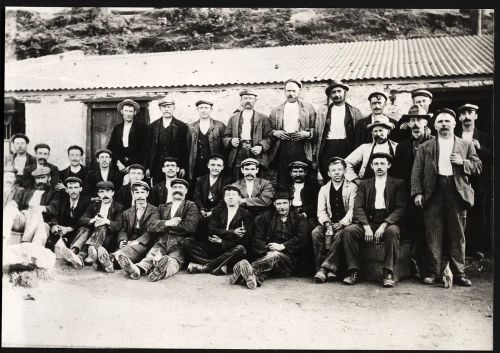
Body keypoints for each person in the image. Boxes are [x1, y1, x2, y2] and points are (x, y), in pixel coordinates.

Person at [411, 108, 482, 286]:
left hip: (456, 192)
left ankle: (459, 274)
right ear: (435, 125)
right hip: (433, 192)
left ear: (454, 124)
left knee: (457, 234)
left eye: (447, 121)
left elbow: (478, 166)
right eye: (440, 121)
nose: (444, 124)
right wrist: (418, 192)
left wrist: (463, 162)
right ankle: (433, 273)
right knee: (433, 233)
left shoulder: (465, 145)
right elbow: (416, 172)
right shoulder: (425, 147)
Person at [114, 178, 200, 281]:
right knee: (150, 257)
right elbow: (151, 225)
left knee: (174, 261)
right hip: (161, 241)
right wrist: (168, 223)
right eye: (175, 187)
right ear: (171, 190)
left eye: (180, 187)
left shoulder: (191, 206)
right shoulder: (162, 207)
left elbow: (189, 227)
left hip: (180, 243)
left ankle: (160, 272)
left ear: (186, 190)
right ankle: (136, 270)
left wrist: (163, 227)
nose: (177, 189)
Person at [342, 153, 407, 287]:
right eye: (376, 164)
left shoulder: (398, 183)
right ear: (371, 166)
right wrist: (366, 226)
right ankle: (354, 270)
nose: (379, 167)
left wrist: (384, 225)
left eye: (382, 163)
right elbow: (358, 207)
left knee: (392, 232)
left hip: (389, 222)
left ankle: (388, 272)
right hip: (369, 221)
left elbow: (401, 209)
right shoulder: (365, 184)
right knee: (348, 231)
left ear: (389, 165)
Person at [230, 189, 308, 289]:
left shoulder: (299, 218)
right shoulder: (266, 217)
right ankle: (253, 278)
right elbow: (257, 240)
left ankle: (243, 272)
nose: (282, 207)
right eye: (279, 204)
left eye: (285, 203)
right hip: (267, 255)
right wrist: (269, 249)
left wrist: (282, 246)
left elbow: (301, 238)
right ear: (274, 204)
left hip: (290, 261)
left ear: (290, 203)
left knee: (275, 255)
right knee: (270, 259)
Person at [392, 105, 434, 278]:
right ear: (408, 124)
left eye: (419, 120)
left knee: (431, 232)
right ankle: (413, 267)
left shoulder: (435, 142)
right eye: (412, 120)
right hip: (409, 197)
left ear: (425, 122)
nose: (416, 124)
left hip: (432, 195)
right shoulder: (402, 147)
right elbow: (397, 174)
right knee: (413, 230)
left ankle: (431, 268)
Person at [184, 185, 252, 275]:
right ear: (224, 198)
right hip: (214, 248)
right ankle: (217, 265)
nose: (230, 197)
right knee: (187, 242)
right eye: (228, 195)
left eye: (234, 195)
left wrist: (222, 241)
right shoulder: (218, 211)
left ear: (239, 197)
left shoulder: (247, 214)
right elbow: (212, 230)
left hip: (231, 249)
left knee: (241, 249)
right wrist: (232, 232)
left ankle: (206, 267)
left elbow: (245, 239)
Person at [98, 181, 160, 276]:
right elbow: (123, 230)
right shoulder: (127, 212)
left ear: (147, 193)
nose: (140, 196)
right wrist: (122, 241)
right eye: (137, 192)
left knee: (133, 248)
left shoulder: (155, 210)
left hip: (146, 243)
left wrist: (137, 241)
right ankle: (110, 264)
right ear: (133, 194)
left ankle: (110, 259)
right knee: (126, 248)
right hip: (129, 243)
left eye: (142, 192)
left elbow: (151, 230)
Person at [312, 157, 357, 283]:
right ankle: (323, 268)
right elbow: (321, 211)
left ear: (344, 171)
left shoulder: (352, 187)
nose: (337, 173)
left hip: (345, 223)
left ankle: (324, 270)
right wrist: (327, 224)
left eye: (340, 170)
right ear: (328, 173)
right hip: (329, 222)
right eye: (333, 170)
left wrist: (342, 223)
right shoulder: (324, 189)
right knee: (316, 233)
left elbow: (352, 210)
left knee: (340, 234)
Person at [456, 103, 492, 258]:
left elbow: (492, 158)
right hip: (460, 182)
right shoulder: (454, 135)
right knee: (460, 216)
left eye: (470, 113)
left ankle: (478, 249)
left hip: (479, 183)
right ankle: (461, 249)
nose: (467, 117)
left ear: (476, 116)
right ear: (459, 118)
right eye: (463, 114)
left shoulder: (485, 137)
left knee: (479, 216)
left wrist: (481, 148)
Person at [314, 80, 363, 183]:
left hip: (347, 146)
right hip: (328, 146)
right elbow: (317, 133)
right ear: (330, 95)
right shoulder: (323, 112)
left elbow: (358, 135)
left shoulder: (355, 112)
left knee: (346, 175)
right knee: (329, 175)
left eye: (339, 91)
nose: (337, 95)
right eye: (333, 92)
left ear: (344, 93)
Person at [268, 79, 316, 184]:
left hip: (301, 144)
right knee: (284, 173)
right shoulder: (276, 110)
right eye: (288, 91)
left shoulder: (308, 108)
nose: (291, 94)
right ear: (284, 91)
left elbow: (315, 127)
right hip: (282, 144)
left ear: (299, 91)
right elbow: (268, 130)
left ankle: (302, 197)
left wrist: (307, 134)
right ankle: (284, 196)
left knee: (301, 172)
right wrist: (275, 133)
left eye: (294, 91)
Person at [3, 166, 61, 246]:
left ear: (49, 178)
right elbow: (16, 201)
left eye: (42, 178)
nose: (40, 181)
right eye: (38, 178)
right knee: (10, 207)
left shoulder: (53, 193)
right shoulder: (26, 192)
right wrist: (13, 204)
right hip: (23, 219)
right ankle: (4, 238)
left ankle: (25, 242)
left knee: (35, 211)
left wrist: (41, 208)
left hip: (41, 220)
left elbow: (54, 208)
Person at [223, 89, 272, 180]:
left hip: (255, 152)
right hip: (239, 151)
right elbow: (226, 136)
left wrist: (261, 147)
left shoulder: (263, 118)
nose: (248, 100)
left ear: (255, 101)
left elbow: (269, 137)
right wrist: (231, 141)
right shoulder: (233, 118)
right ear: (241, 101)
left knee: (256, 177)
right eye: (245, 98)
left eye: (251, 98)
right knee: (238, 176)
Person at [76, 181, 124, 272]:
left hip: (108, 239)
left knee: (102, 225)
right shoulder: (93, 206)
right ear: (98, 194)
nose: (105, 194)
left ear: (113, 193)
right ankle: (78, 255)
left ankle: (83, 255)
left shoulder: (119, 207)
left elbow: (118, 225)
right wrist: (93, 220)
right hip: (92, 235)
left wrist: (106, 221)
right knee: (84, 228)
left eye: (108, 191)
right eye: (101, 192)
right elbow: (81, 220)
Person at [144, 96, 189, 184]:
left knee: (175, 186)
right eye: (163, 107)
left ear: (173, 108)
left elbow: (185, 149)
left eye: (169, 107)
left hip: (174, 166)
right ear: (160, 109)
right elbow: (148, 148)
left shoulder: (182, 126)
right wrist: (147, 167)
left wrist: (183, 167)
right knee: (158, 187)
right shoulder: (152, 126)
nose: (166, 109)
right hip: (157, 165)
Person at [345, 116, 398, 183]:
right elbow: (346, 163)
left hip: (391, 186)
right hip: (368, 186)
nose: (378, 134)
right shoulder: (364, 148)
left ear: (388, 132)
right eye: (375, 131)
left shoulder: (397, 147)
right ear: (372, 133)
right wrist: (356, 180)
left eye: (381, 130)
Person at [192, 154, 232, 240]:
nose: (215, 168)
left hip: (219, 211)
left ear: (222, 167)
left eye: (219, 165)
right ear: (208, 165)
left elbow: (224, 199)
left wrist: (213, 212)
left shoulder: (227, 181)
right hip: (203, 211)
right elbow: (197, 196)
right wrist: (202, 209)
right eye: (213, 165)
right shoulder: (200, 180)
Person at [45, 177, 91, 252]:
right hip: (60, 231)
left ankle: (73, 251)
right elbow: (53, 214)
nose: (73, 191)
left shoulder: (86, 202)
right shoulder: (61, 200)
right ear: (66, 190)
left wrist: (68, 229)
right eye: (70, 188)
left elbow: (83, 221)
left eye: (76, 187)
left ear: (80, 189)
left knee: (85, 230)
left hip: (75, 232)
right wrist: (55, 225)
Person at [187, 100, 227, 181]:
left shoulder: (219, 125)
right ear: (197, 110)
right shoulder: (191, 127)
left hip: (214, 165)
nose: (203, 110)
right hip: (196, 165)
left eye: (206, 108)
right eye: (201, 108)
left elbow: (224, 148)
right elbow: (187, 148)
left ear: (211, 109)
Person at [107, 99, 147, 171]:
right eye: (126, 111)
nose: (128, 114)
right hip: (120, 166)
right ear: (122, 112)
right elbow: (111, 147)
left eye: (130, 111)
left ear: (134, 113)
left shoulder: (142, 127)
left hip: (136, 166)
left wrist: (132, 165)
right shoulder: (117, 128)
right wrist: (118, 162)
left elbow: (144, 149)